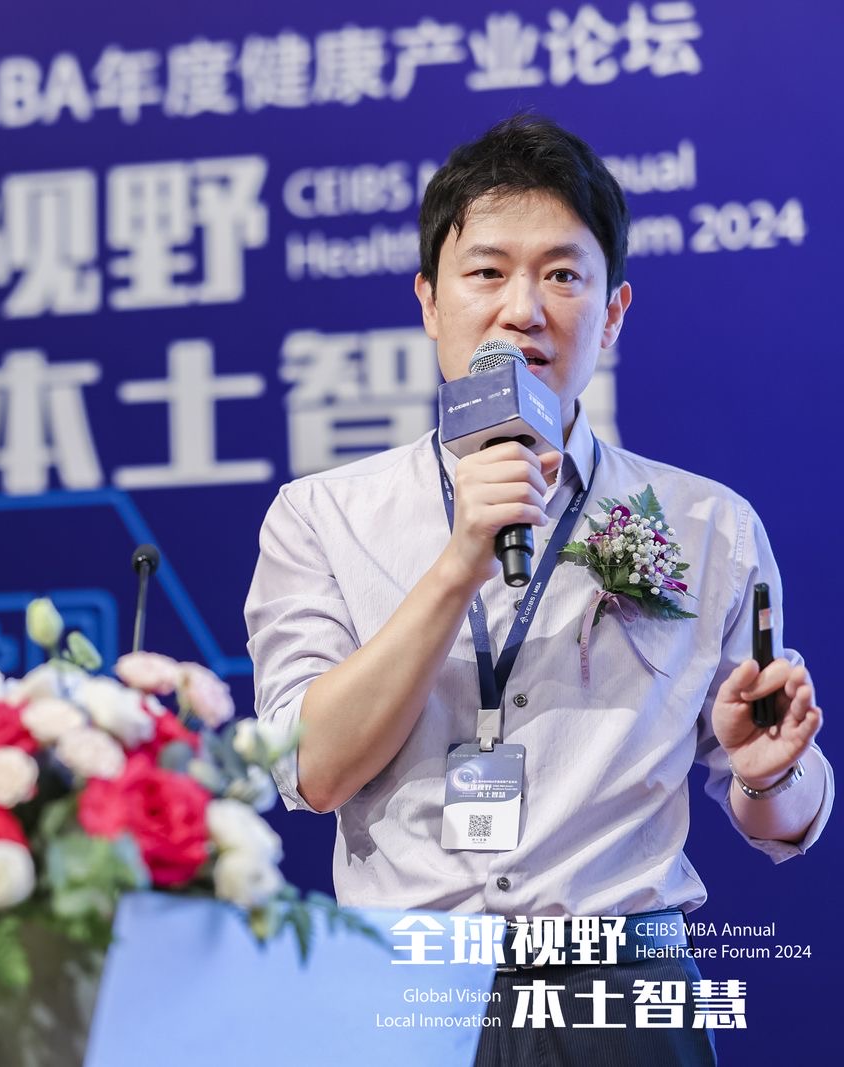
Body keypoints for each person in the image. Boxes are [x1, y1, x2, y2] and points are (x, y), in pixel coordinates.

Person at [243, 115, 831, 1064]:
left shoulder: (708, 524)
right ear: (429, 300)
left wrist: (770, 769)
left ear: (614, 310)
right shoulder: (323, 516)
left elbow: (781, 823)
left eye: (562, 275)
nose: (523, 310)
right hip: (403, 994)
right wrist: (459, 562)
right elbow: (310, 771)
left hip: (623, 991)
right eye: (486, 272)